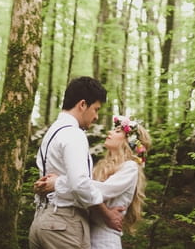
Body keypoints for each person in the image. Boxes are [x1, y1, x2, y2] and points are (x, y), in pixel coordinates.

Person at [29, 76, 124, 249]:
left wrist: (57, 183)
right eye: (95, 109)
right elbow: (80, 183)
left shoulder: (52, 132)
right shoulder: (74, 134)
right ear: (82, 105)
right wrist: (107, 214)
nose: (96, 116)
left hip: (41, 222)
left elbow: (49, 181)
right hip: (64, 225)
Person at [45, 114, 152, 249]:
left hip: (105, 239)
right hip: (85, 235)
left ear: (129, 142)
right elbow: (83, 193)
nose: (109, 132)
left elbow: (99, 190)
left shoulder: (130, 167)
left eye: (117, 131)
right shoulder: (101, 167)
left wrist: (57, 183)